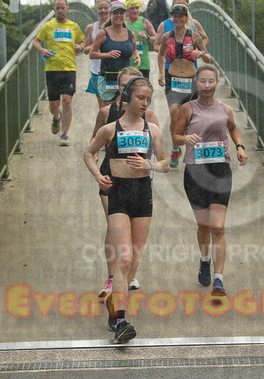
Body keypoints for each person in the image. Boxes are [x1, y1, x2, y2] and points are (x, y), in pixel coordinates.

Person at [84, 76, 168, 344]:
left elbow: (165, 163)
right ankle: (119, 319)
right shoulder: (109, 129)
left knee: (134, 261)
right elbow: (88, 153)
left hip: (143, 195)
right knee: (123, 258)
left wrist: (149, 166)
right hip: (118, 194)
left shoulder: (152, 130)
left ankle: (115, 306)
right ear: (128, 97)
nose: (145, 103)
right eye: (141, 98)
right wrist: (98, 176)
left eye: (148, 99)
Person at [172, 64, 247, 296]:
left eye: (211, 81)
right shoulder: (187, 109)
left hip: (220, 170)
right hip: (195, 172)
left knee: (218, 227)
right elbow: (175, 137)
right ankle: (204, 260)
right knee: (204, 226)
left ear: (217, 83)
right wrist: (185, 138)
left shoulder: (225, 109)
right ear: (197, 83)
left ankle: (218, 279)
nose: (206, 86)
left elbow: (233, 128)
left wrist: (240, 146)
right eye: (202, 81)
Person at [90, 67, 160, 298]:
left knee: (131, 235)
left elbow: (158, 149)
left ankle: (127, 271)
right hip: (111, 179)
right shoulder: (106, 112)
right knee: (115, 226)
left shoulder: (149, 117)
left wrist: (148, 164)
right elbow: (93, 141)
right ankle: (113, 278)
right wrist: (96, 159)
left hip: (138, 181)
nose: (126, 91)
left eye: (131, 86)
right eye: (123, 87)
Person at [158, 3, 211, 167]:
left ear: (186, 17)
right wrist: (160, 73)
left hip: (190, 80)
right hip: (173, 80)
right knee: (174, 113)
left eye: (181, 16)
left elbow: (208, 58)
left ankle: (192, 148)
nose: (178, 19)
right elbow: (160, 54)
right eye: (175, 16)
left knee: (191, 117)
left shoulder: (194, 36)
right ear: (172, 17)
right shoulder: (167, 36)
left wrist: (201, 54)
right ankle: (175, 148)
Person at [33, 0, 85, 146]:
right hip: (52, 69)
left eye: (63, 8)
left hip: (69, 69)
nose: (60, 10)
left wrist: (80, 47)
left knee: (67, 102)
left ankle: (64, 134)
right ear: (53, 10)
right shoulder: (48, 26)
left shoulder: (74, 26)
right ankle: (56, 117)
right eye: (58, 8)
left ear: (68, 9)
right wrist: (42, 50)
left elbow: (83, 41)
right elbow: (36, 41)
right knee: (54, 105)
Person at [89, 1, 141, 106]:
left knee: (123, 108)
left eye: (121, 13)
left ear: (125, 16)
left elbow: (134, 50)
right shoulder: (103, 33)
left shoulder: (130, 34)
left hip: (124, 78)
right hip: (108, 78)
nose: (118, 16)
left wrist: (137, 57)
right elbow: (92, 54)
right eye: (115, 13)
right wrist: (107, 55)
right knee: (109, 110)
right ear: (110, 15)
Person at [83, 0, 111, 110]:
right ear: (96, 10)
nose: (103, 11)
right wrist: (96, 45)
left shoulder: (117, 25)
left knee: (115, 105)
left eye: (105, 8)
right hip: (97, 70)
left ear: (110, 9)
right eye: (100, 8)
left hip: (114, 69)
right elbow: (85, 50)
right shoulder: (91, 28)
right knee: (103, 107)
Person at [125, 0, 157, 80]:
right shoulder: (123, 23)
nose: (135, 11)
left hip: (143, 63)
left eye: (137, 8)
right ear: (127, 11)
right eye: (132, 9)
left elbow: (156, 38)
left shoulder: (144, 21)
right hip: (127, 63)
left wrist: (146, 37)